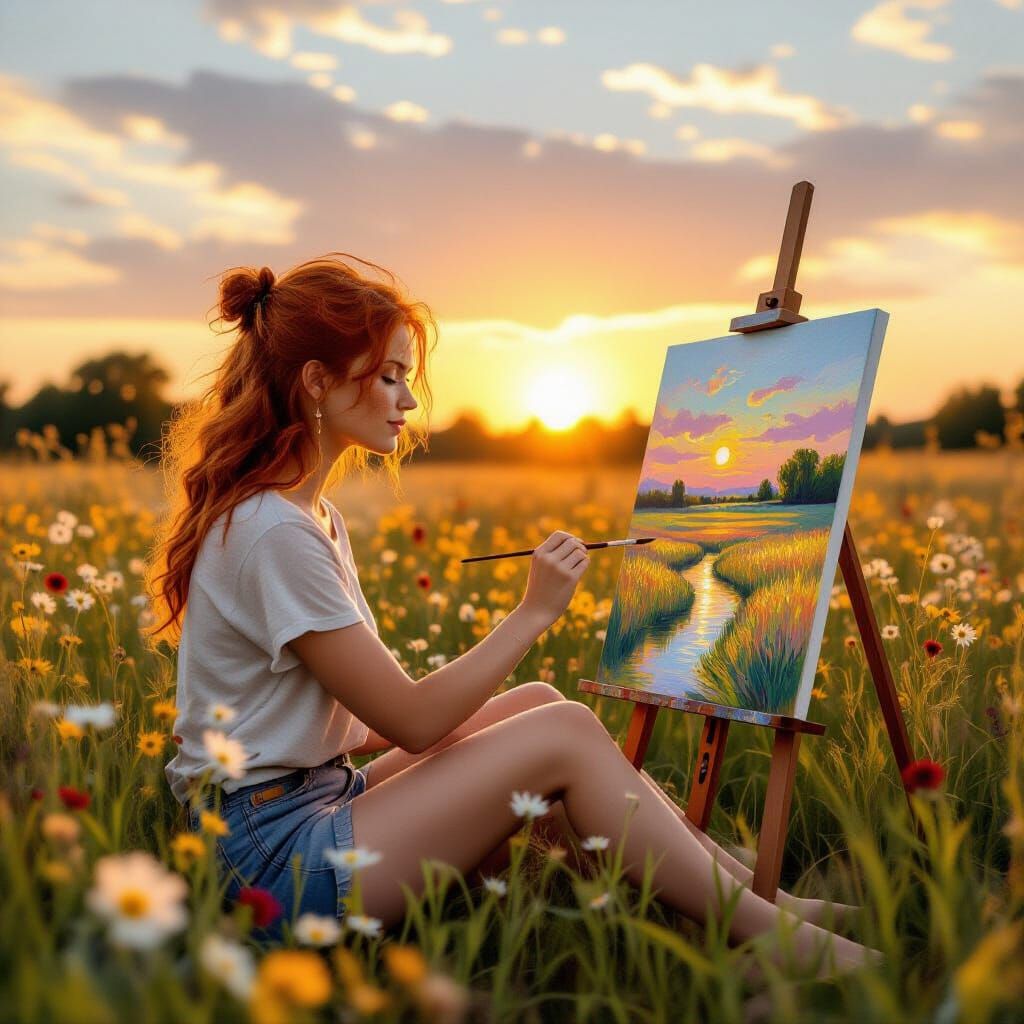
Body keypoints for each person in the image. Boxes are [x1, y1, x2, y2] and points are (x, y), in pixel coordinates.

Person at [147, 253, 875, 975]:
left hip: (308, 803)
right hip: (272, 863)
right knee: (559, 732)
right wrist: (532, 613)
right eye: (391, 376)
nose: (408, 400)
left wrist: (494, 738)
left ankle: (747, 900)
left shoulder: (306, 517)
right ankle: (781, 944)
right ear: (316, 381)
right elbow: (411, 722)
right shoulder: (275, 532)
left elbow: (353, 721)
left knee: (536, 706)